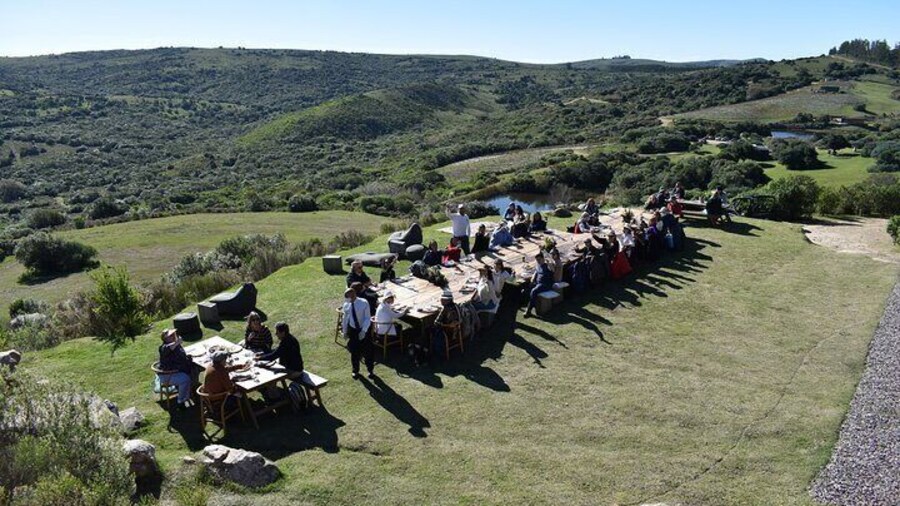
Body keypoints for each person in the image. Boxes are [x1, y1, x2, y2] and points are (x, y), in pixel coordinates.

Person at [157, 329, 194, 410]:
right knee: (185, 379)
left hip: (175, 371)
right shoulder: (163, 348)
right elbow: (169, 348)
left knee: (194, 370)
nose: (174, 336)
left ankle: (188, 395)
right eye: (171, 336)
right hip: (167, 375)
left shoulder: (176, 345)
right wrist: (177, 341)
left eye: (174, 334)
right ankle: (180, 401)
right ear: (165, 339)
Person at [342, 286, 373, 379]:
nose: (348, 300)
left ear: (354, 295)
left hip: (364, 328)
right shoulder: (346, 304)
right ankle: (355, 371)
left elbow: (368, 318)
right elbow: (345, 318)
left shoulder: (363, 303)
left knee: (368, 351)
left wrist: (363, 331)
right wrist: (345, 331)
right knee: (354, 352)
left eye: (349, 298)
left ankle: (370, 370)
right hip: (353, 330)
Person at [524, 252, 555, 318]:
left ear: (543, 259)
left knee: (534, 291)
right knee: (525, 289)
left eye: (539, 259)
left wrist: (549, 263)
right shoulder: (538, 265)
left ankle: (528, 310)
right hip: (538, 283)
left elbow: (553, 269)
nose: (538, 261)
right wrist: (533, 277)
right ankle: (532, 305)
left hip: (546, 284)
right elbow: (536, 271)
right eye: (537, 260)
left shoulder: (548, 265)